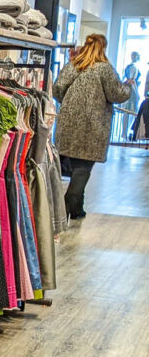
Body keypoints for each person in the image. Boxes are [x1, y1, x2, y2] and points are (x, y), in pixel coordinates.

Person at [54, 34, 135, 219]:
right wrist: (128, 87)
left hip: (69, 122)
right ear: (103, 47)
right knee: (83, 166)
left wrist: (68, 104)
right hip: (94, 124)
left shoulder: (74, 65)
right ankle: (68, 205)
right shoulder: (105, 69)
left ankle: (77, 209)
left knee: (72, 164)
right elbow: (117, 94)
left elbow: (58, 88)